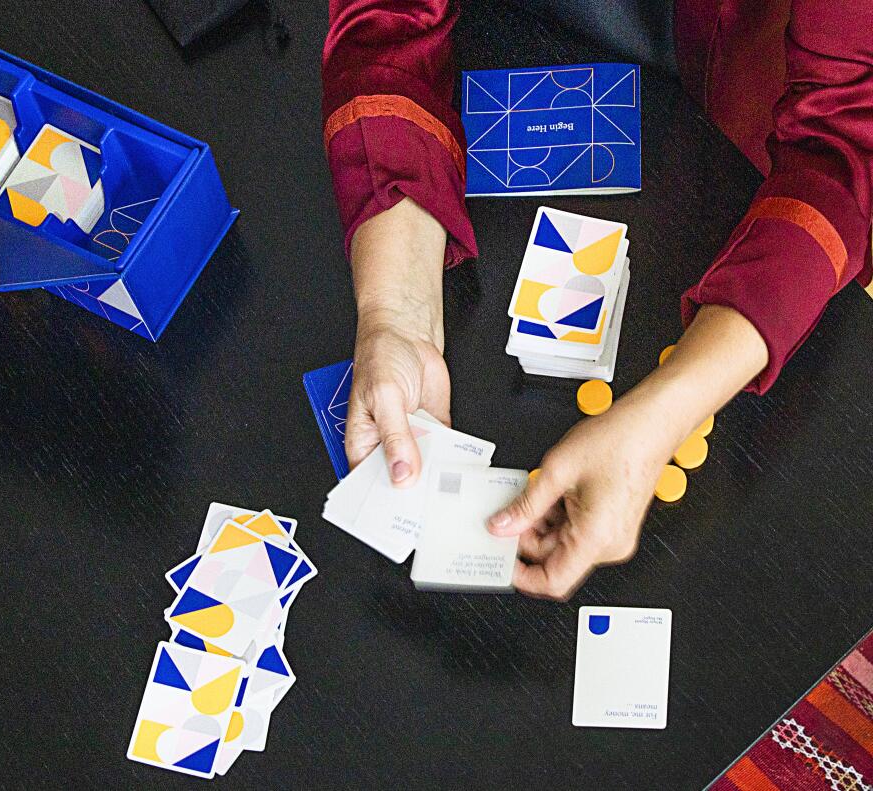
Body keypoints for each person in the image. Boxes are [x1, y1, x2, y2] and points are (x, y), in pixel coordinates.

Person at [322, 0, 873, 600]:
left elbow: (844, 146)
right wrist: (395, 315)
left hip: (745, 154)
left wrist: (669, 411)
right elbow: (385, 23)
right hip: (517, 57)